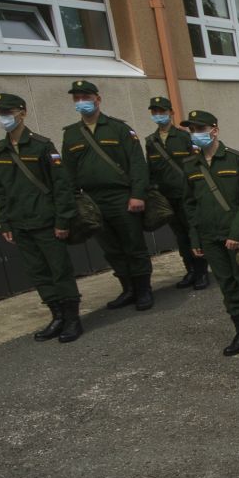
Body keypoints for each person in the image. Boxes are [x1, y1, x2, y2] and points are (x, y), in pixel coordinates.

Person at [0, 92, 81, 344]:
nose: (3, 118)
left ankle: (72, 319)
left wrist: (63, 220)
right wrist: (5, 222)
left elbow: (61, 186)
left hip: (47, 221)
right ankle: (57, 316)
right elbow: (0, 191)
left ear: (22, 113)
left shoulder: (42, 146)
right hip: (19, 223)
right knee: (38, 273)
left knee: (59, 270)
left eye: (7, 113)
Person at [179, 109, 239, 358]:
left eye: (199, 129)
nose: (195, 135)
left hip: (235, 236)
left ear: (214, 130)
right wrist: (195, 238)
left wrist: (237, 233)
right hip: (209, 237)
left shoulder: (236, 160)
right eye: (192, 131)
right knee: (227, 285)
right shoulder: (190, 165)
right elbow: (191, 205)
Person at [60, 79, 154, 311]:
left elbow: (137, 164)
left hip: (121, 197)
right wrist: (74, 202)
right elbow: (67, 173)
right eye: (77, 98)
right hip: (92, 200)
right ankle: (128, 289)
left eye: (86, 97)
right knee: (111, 248)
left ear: (97, 99)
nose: (82, 102)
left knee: (133, 245)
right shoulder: (72, 134)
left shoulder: (119, 129)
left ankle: (143, 290)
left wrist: (138, 194)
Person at [143, 95, 210, 290]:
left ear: (170, 113)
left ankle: (201, 272)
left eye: (162, 111)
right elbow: (151, 169)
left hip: (186, 194)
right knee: (180, 236)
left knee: (193, 233)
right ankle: (189, 270)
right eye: (155, 112)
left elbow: (198, 164)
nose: (158, 115)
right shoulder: (151, 141)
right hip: (167, 196)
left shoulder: (183, 137)